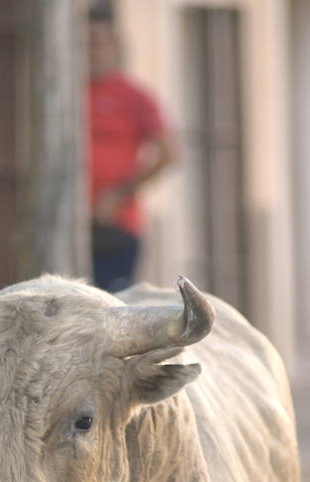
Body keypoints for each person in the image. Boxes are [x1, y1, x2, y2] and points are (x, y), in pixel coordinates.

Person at [87, 9, 178, 292]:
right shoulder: (64, 95)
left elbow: (169, 153)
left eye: (97, 41)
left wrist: (119, 195)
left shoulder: (133, 96)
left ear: (114, 45)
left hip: (116, 227)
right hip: (68, 225)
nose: (90, 50)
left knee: (112, 305)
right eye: (83, 43)